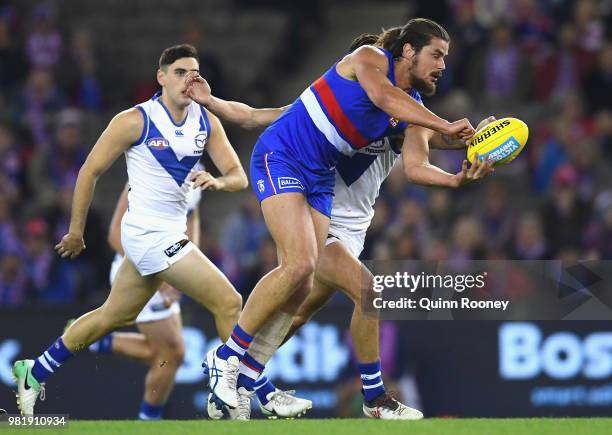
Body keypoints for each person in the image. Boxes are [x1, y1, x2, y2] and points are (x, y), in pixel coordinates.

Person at [190, 18, 492, 418]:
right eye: (436, 54)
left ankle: (247, 379)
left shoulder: (411, 110)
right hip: (286, 161)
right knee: (340, 282)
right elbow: (257, 116)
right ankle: (367, 396)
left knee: (298, 301)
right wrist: (443, 124)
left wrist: (459, 170)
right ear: (406, 52)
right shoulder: (370, 65)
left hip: (330, 197)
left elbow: (419, 162)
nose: (442, 64)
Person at [12, 44, 247, 416]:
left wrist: (218, 183)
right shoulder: (135, 120)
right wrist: (76, 231)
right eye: (181, 72)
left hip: (169, 241)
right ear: (161, 77)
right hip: (145, 237)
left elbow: (238, 177)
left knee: (113, 317)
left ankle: (34, 370)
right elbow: (89, 171)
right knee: (229, 303)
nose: (190, 80)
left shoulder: (205, 123)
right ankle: (249, 392)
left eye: (195, 73)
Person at [80, 182, 200, 420]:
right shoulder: (148, 168)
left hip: (167, 268)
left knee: (169, 355)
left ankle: (94, 339)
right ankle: (147, 422)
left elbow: (192, 216)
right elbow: (115, 234)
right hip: (141, 272)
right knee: (171, 355)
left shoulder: (196, 167)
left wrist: (187, 261)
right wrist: (162, 270)